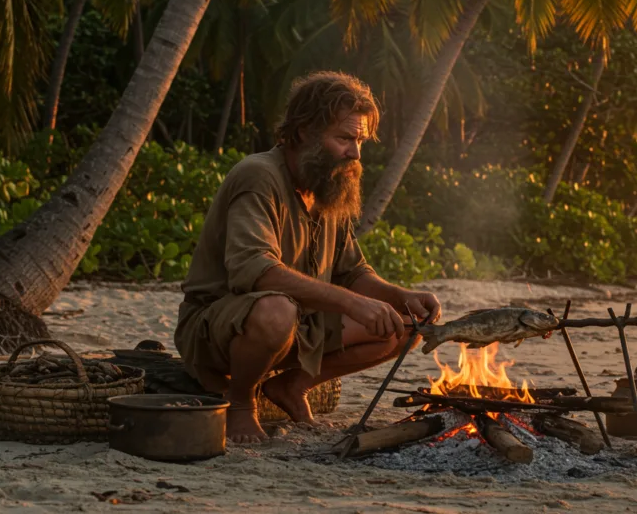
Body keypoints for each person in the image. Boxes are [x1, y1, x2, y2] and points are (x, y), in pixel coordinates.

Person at [174, 71, 442, 443]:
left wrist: (400, 297)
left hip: (300, 328)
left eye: (360, 140)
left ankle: (290, 387)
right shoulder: (259, 175)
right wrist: (354, 304)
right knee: (276, 310)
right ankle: (240, 404)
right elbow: (254, 270)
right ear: (303, 132)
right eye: (344, 138)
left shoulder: (329, 184)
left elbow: (352, 272)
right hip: (219, 329)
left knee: (406, 325)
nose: (355, 153)